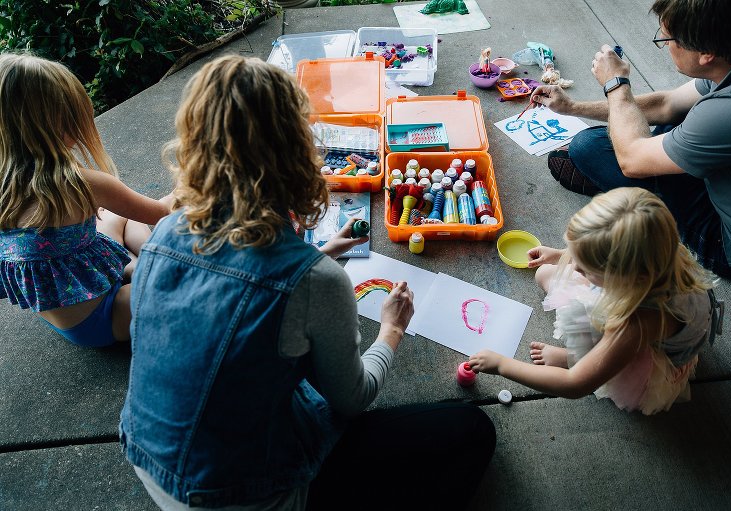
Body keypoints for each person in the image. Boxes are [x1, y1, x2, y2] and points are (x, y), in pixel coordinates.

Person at [120, 55, 496, 511]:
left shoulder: (162, 234)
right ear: (299, 149)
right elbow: (353, 399)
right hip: (245, 497)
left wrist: (322, 254)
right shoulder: (318, 283)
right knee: (471, 428)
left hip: (147, 459)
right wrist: (392, 330)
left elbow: (239, 288)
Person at [531, 0, 731, 284]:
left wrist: (616, 84)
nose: (665, 45)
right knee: (676, 116)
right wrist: (572, 107)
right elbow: (668, 105)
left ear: (706, 53)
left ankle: (636, 193)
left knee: (588, 147)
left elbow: (631, 159)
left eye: (667, 39)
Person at [469, 188, 723, 415]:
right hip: (636, 306)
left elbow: (575, 384)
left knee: (599, 358)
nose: (574, 264)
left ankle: (576, 358)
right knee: (545, 272)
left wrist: (503, 365)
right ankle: (586, 349)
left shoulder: (637, 323)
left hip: (652, 358)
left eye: (585, 267)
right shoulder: (655, 246)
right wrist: (560, 255)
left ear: (625, 276)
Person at [0, 53, 172, 348]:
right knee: (188, 282)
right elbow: (163, 212)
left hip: (69, 314)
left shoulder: (6, 185)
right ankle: (152, 265)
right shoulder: (82, 184)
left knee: (116, 216)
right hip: (108, 317)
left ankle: (131, 267)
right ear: (62, 123)